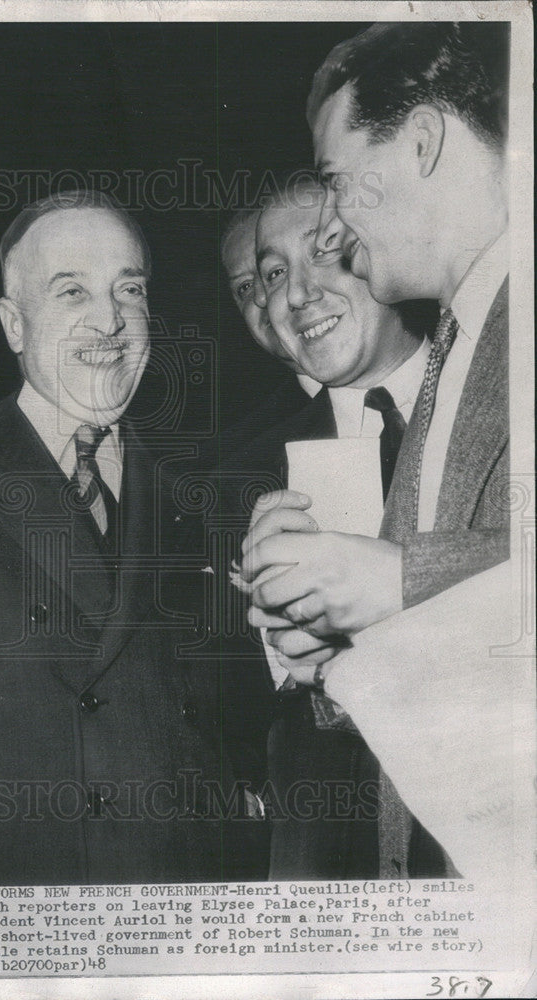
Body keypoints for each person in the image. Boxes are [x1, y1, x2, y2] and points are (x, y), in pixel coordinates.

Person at [0, 189, 262, 887]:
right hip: (10, 889)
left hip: (178, 896)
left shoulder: (197, 496)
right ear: (14, 324)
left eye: (127, 290)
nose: (108, 320)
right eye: (71, 291)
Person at [243, 22, 509, 878]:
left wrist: (393, 580)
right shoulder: (456, 346)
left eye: (334, 181)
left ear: (423, 142)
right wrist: (334, 655)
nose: (329, 226)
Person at [225, 175, 429, 878]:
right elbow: (204, 703)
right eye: (272, 274)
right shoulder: (238, 479)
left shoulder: (505, 395)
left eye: (326, 251)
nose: (293, 294)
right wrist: (286, 658)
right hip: (329, 861)